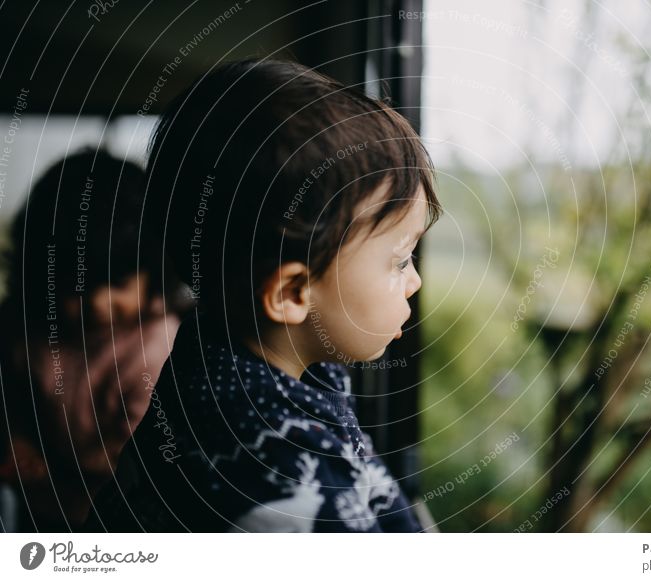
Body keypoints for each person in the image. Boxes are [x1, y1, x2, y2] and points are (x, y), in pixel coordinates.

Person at [83, 58, 442, 532]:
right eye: (399, 261)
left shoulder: (220, 348)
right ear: (292, 292)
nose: (413, 281)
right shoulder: (278, 480)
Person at [0, 149, 187, 531]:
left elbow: (143, 454)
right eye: (77, 287)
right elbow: (11, 394)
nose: (99, 305)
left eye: (118, 283)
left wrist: (64, 467)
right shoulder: (27, 329)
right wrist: (16, 440)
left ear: (153, 268)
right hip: (37, 506)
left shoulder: (157, 347)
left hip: (127, 515)